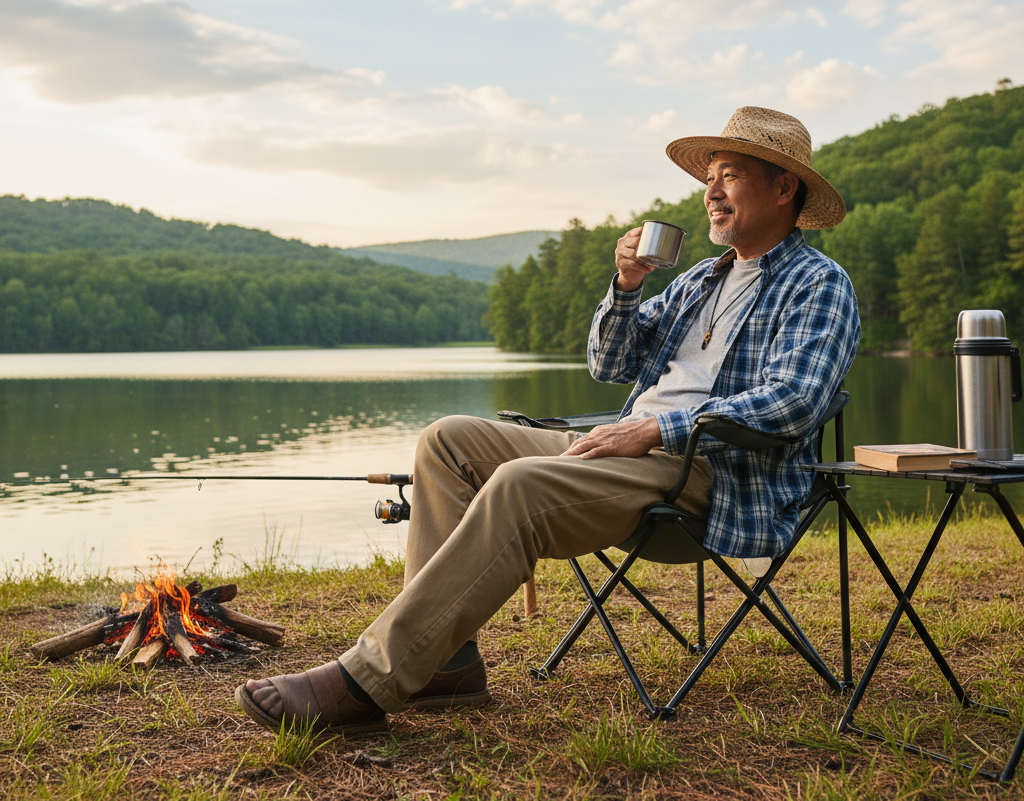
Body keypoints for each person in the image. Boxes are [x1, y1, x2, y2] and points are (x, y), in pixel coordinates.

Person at [234, 106, 861, 736]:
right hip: (629, 449)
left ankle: (367, 679)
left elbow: (797, 400)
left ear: (784, 189)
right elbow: (611, 363)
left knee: (519, 483)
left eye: (731, 175)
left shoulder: (818, 283)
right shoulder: (701, 279)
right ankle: (448, 664)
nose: (711, 192)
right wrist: (627, 283)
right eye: (709, 178)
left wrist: (655, 430)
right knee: (448, 440)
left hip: (710, 471)